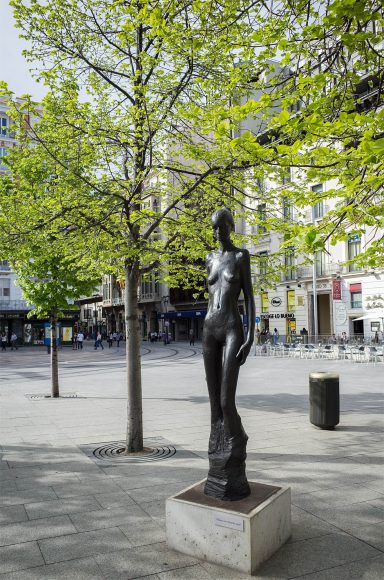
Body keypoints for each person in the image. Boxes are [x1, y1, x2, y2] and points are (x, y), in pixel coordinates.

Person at [203, 207, 255, 500]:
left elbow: (249, 297)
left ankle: (236, 441)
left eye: (221, 228)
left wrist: (250, 336)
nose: (217, 233)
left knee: (226, 400)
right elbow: (211, 293)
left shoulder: (241, 256)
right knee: (213, 404)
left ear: (230, 228)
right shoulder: (209, 258)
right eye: (214, 228)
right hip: (209, 329)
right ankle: (217, 458)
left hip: (233, 327)